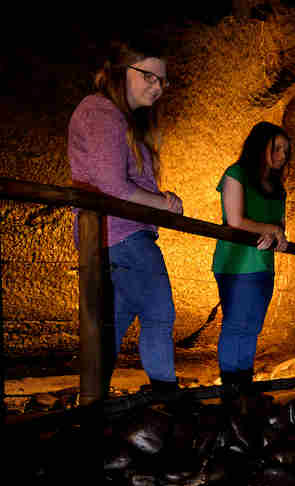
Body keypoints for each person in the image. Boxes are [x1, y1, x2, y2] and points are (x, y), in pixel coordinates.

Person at [68, 40, 183, 395]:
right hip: (122, 234)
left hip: (113, 236)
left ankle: (93, 401)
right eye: (149, 76)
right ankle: (165, 396)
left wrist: (159, 201)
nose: (157, 87)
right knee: (158, 312)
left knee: (113, 322)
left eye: (162, 81)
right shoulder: (100, 112)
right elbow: (111, 184)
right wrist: (161, 204)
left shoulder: (120, 120)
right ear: (121, 72)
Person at [212, 122, 290, 397]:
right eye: (277, 148)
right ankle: (230, 387)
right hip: (236, 262)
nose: (282, 155)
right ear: (260, 146)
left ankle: (243, 383)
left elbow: (279, 226)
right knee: (236, 322)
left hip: (262, 265)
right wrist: (269, 230)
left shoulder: (278, 189)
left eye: (285, 150)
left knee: (253, 325)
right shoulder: (236, 174)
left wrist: (276, 236)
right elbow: (235, 220)